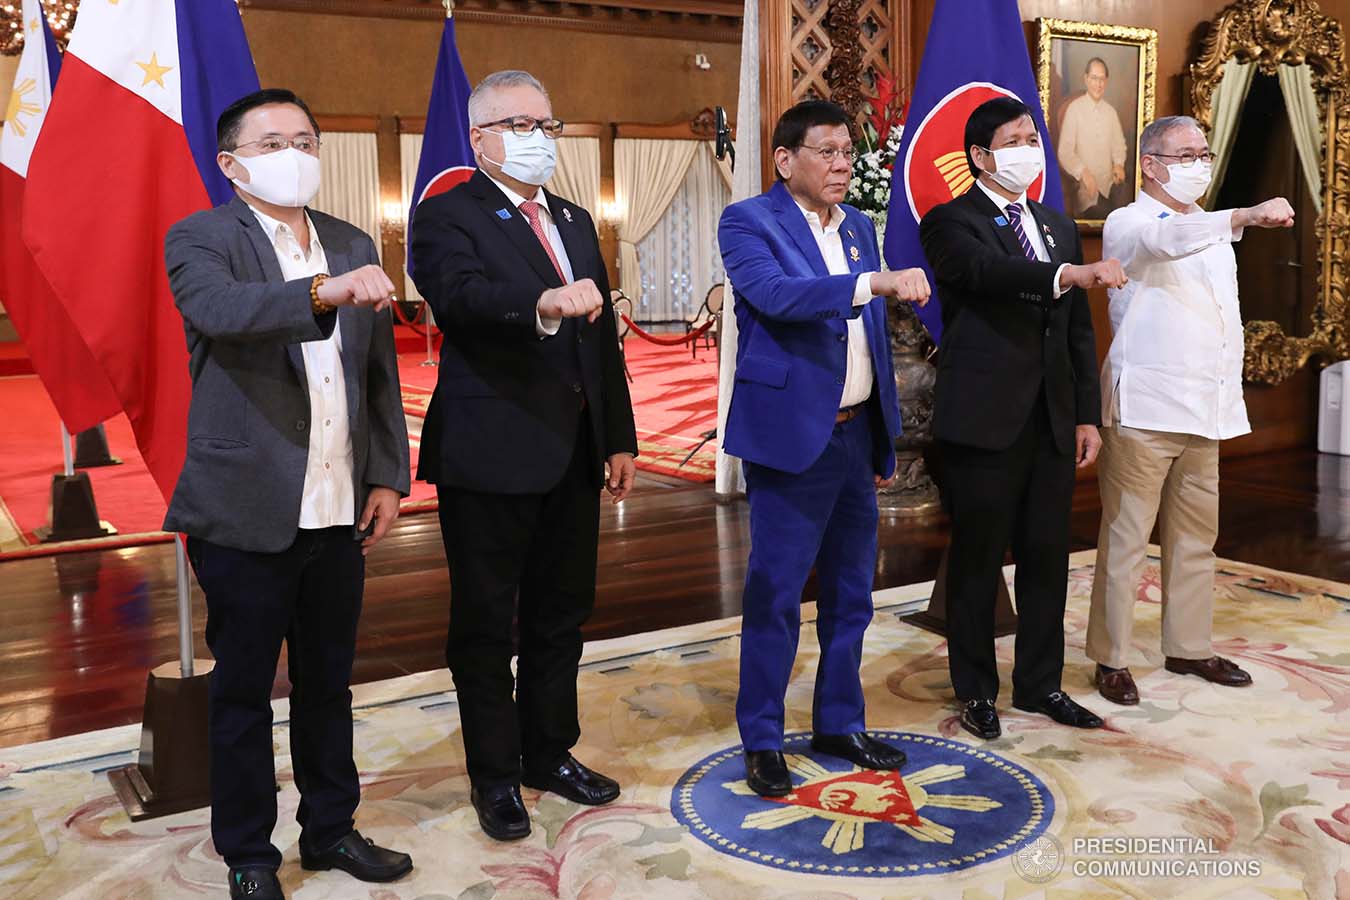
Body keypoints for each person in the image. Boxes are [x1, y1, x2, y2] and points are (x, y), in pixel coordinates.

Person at [164, 88, 413, 900]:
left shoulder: (346, 238)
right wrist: (320, 294)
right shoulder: (202, 236)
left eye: (306, 138)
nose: (296, 152)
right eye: (274, 141)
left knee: (327, 683)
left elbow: (379, 372)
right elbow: (221, 311)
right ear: (230, 162)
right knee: (241, 691)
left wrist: (386, 475)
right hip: (246, 506)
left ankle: (331, 828)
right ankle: (248, 853)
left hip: (340, 503)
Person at [409, 70, 637, 841]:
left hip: (574, 452)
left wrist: (621, 438)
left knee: (560, 615)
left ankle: (549, 751)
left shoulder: (572, 218)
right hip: (490, 448)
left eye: (548, 124)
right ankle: (496, 775)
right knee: (484, 624)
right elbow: (460, 300)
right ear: (479, 138)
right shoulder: (446, 215)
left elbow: (599, 335)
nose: (539, 139)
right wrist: (538, 305)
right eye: (520, 125)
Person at [718, 100, 931, 797]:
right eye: (828, 152)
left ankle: (839, 721)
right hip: (791, 437)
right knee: (775, 594)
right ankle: (763, 738)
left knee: (851, 594)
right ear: (786, 161)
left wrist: (884, 431)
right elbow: (777, 295)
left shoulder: (860, 226)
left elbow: (868, 337)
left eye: (848, 152)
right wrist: (872, 282)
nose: (843, 164)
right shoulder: (749, 221)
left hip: (855, 434)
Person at [919, 96, 1127, 741]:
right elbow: (987, 273)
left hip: (1053, 419)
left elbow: (1076, 334)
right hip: (984, 417)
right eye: (1014, 140)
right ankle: (976, 689)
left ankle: (1041, 685)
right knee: (979, 559)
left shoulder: (1058, 223)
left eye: (1031, 137)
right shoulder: (950, 219)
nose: (1028, 149)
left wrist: (1086, 415)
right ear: (981, 156)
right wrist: (1067, 273)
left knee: (1047, 559)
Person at [1086, 115, 1294, 705]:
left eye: (1204, 152)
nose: (1199, 162)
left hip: (1205, 409)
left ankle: (1188, 646)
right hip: (1147, 409)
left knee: (1196, 537)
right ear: (1150, 165)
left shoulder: (1206, 227)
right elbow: (1166, 241)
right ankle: (1111, 657)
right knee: (1127, 538)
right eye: (1185, 154)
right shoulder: (1131, 221)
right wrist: (1245, 216)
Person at [1057, 57, 1129, 219]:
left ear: (1107, 81)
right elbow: (1065, 152)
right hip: (1085, 189)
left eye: (1102, 79)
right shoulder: (1074, 110)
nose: (1098, 84)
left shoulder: (1111, 112)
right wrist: (1083, 173)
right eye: (1094, 78)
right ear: (1086, 79)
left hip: (1111, 186)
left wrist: (1118, 163)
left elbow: (1119, 145)